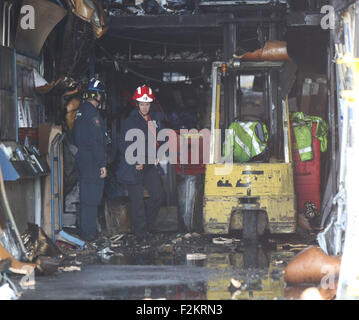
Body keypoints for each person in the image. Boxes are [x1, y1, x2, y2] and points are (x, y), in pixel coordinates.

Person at [116, 85, 165, 244]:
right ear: (137, 104)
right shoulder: (130, 121)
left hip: (150, 165)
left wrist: (159, 154)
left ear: (151, 104)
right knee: (137, 202)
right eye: (142, 104)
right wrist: (135, 160)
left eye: (147, 104)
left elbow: (160, 138)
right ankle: (141, 235)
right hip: (134, 166)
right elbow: (123, 144)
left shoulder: (155, 119)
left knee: (158, 196)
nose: (145, 107)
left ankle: (146, 227)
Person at [72, 78, 107, 241]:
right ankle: (90, 233)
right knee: (92, 198)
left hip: (81, 158)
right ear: (99, 96)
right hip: (92, 159)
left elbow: (73, 136)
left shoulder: (80, 111)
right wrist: (102, 164)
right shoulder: (93, 114)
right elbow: (97, 141)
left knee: (85, 195)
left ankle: (83, 230)